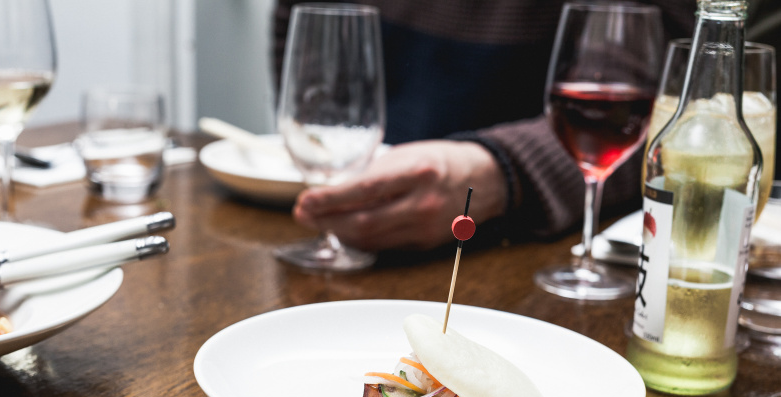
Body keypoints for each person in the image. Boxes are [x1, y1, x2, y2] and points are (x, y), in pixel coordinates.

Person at [272, 0, 774, 253]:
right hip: (352, 220)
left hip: (524, 244)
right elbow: (304, 56)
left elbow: (670, 104)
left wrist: (505, 170)